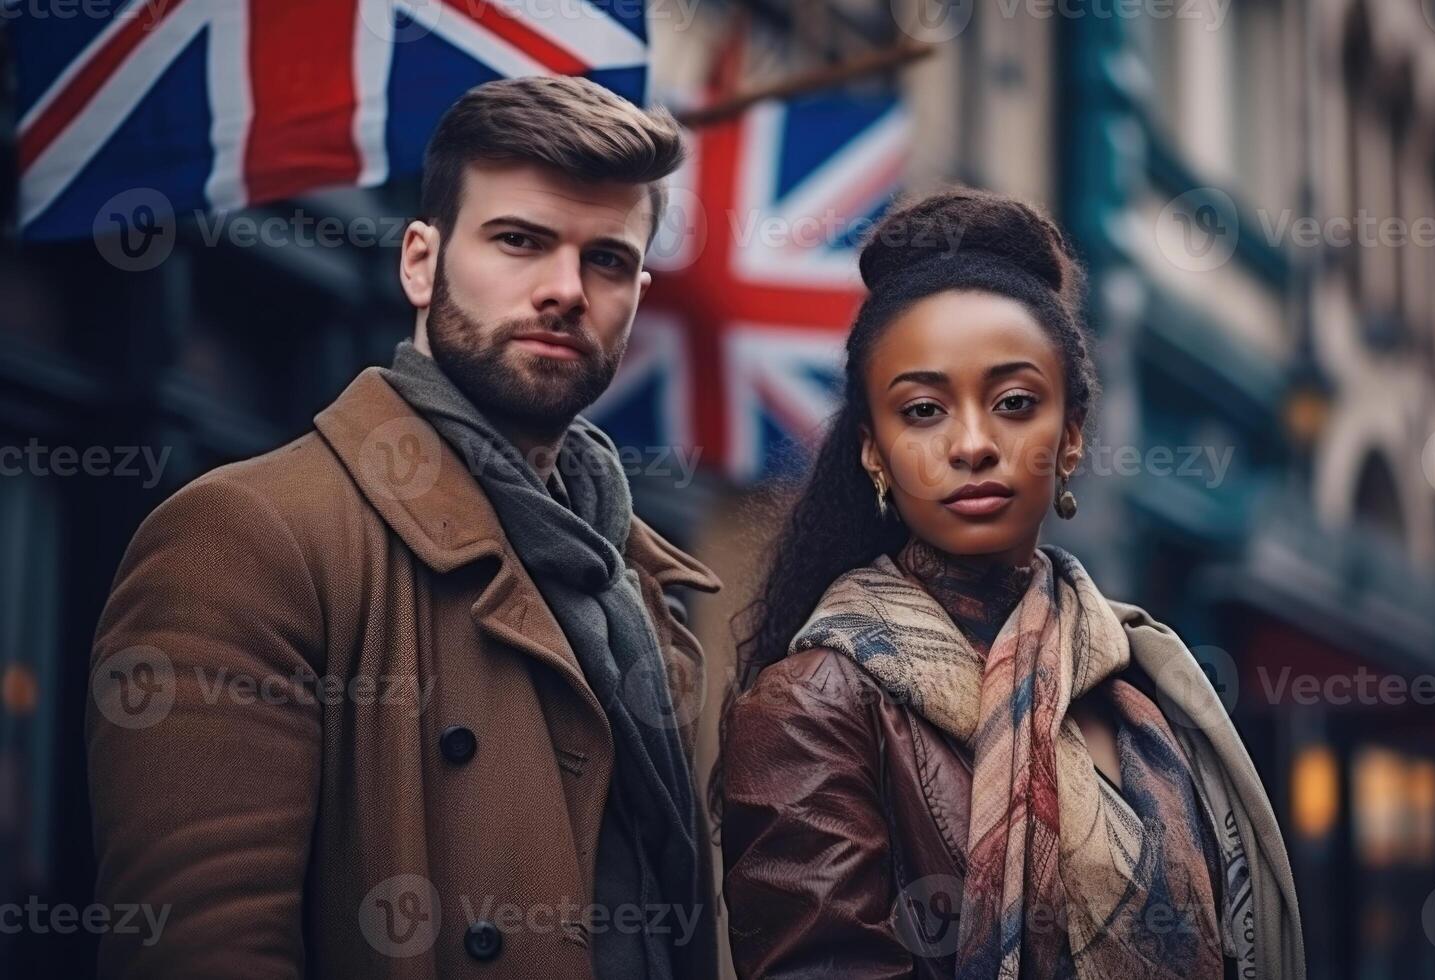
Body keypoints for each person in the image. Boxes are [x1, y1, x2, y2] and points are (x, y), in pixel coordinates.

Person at [87, 75, 721, 980]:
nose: (565, 290)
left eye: (607, 260)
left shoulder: (639, 591)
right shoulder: (248, 538)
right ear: (420, 261)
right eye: (519, 241)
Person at [719, 188, 1304, 979]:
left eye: (1015, 403)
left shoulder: (1143, 679)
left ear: (1069, 440)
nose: (972, 444)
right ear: (873, 451)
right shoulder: (813, 706)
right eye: (923, 409)